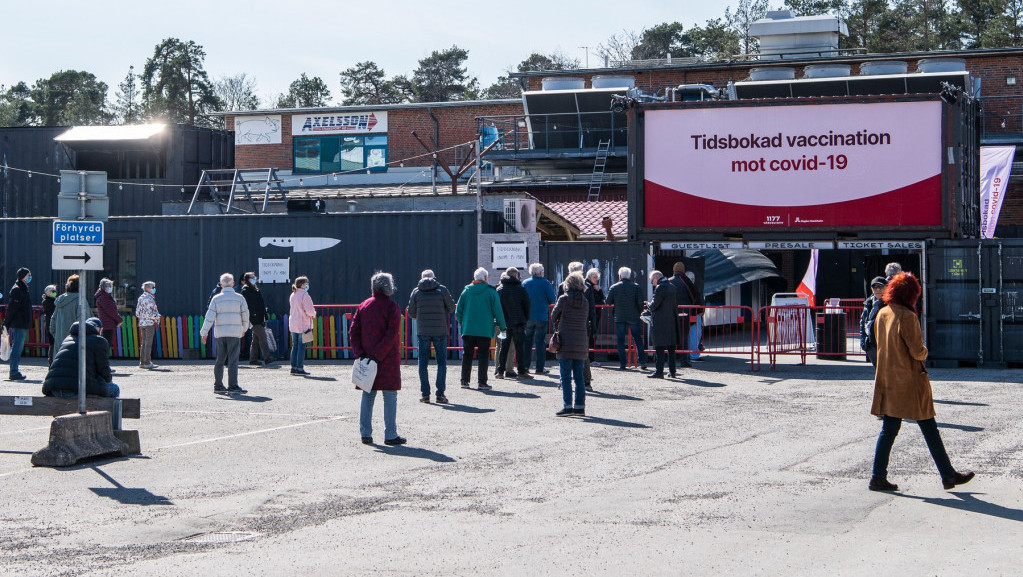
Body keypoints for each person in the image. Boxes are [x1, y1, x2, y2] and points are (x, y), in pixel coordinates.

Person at [868, 272, 975, 492]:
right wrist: (925, 350)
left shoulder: (883, 313)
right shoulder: (907, 316)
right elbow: (917, 352)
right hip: (909, 380)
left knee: (889, 429)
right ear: (912, 294)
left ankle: (878, 476)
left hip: (888, 379)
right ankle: (948, 475)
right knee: (929, 427)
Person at [351, 272, 406, 446]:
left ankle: (365, 433)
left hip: (366, 357)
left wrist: (361, 353)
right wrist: (378, 356)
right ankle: (390, 434)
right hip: (387, 359)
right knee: (390, 396)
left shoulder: (364, 305)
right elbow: (391, 335)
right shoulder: (392, 307)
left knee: (368, 395)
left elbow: (353, 331)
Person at [407, 269, 455, 404]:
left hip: (423, 331)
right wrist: (442, 311)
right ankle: (440, 395)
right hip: (440, 330)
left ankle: (425, 395)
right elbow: (452, 308)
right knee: (441, 363)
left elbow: (411, 312)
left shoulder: (416, 292)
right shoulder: (442, 290)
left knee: (422, 363)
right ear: (434, 278)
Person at [455, 267, 506, 391]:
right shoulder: (491, 292)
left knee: (467, 354)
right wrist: (503, 326)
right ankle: (482, 382)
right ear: (485, 278)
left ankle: (464, 381)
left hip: (468, 329)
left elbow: (458, 311)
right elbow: (498, 311)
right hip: (484, 329)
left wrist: (462, 321)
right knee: (483, 355)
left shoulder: (466, 291)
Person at [42, 317, 119, 398]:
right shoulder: (99, 340)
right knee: (114, 389)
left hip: (53, 388)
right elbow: (104, 371)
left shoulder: (68, 339)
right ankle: (107, 410)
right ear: (100, 329)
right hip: (76, 389)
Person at [199, 273, 250, 395]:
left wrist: (204, 333)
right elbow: (245, 315)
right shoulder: (240, 298)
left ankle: (218, 385)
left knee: (220, 360)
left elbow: (209, 317)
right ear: (233, 284)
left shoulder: (216, 299)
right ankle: (233, 386)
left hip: (220, 334)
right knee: (233, 360)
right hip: (234, 333)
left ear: (221, 285)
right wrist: (244, 329)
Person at [550, 272, 591, 416]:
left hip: (565, 340)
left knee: (565, 376)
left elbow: (553, 315)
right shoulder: (585, 301)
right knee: (579, 376)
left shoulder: (563, 299)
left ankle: (567, 406)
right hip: (580, 340)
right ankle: (580, 407)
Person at [605, 267, 647, 370]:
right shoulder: (636, 287)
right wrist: (638, 312)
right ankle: (642, 362)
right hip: (634, 316)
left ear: (619, 276)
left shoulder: (614, 287)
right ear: (629, 276)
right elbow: (640, 303)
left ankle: (623, 364)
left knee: (620, 340)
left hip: (619, 316)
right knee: (638, 339)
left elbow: (608, 302)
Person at [496, 267, 530, 379]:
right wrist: (525, 319)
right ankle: (521, 371)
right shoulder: (520, 288)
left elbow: (497, 307)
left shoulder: (500, 289)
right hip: (518, 322)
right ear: (516, 275)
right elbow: (527, 305)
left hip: (504, 324)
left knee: (503, 347)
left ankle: (500, 371)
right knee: (519, 347)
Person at [522, 263, 556, 375]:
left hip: (528, 316)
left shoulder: (525, 283)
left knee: (527, 342)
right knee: (540, 342)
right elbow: (552, 299)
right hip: (541, 316)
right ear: (541, 272)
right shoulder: (545, 283)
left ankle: (525, 367)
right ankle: (539, 368)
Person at [647, 270, 678, 379]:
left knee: (659, 347)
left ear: (656, 278)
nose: (652, 283)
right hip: (671, 320)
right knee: (671, 348)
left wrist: (649, 305)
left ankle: (659, 371)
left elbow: (655, 304)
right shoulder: (672, 287)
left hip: (660, 322)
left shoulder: (660, 288)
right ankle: (672, 371)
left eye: (652, 281)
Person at [4, 267, 34, 380]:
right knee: (17, 347)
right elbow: (12, 308)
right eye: (28, 275)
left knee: (18, 346)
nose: (29, 277)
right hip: (19, 323)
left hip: (21, 322)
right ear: (23, 276)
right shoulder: (18, 289)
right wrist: (6, 323)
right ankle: (13, 371)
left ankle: (14, 370)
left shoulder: (23, 288)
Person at [668, 262, 699, 368]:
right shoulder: (686, 281)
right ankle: (684, 360)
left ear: (674, 270)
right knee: (684, 337)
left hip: (671, 313)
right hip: (685, 313)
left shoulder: (669, 281)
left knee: (671, 337)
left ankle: (670, 360)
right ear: (683, 270)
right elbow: (694, 295)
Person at [240, 272, 274, 366]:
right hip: (253, 319)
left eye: (254, 277)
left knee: (255, 340)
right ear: (247, 280)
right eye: (252, 277)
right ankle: (267, 357)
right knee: (263, 337)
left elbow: (261, 304)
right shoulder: (245, 291)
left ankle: (253, 359)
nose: (254, 278)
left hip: (259, 318)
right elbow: (245, 307)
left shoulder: (255, 290)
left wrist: (265, 315)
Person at [288, 276, 316, 376]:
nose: (307, 285)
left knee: (294, 346)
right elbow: (309, 311)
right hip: (302, 323)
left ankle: (293, 367)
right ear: (302, 285)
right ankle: (300, 367)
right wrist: (314, 314)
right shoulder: (305, 295)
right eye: (306, 283)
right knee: (301, 346)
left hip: (293, 323)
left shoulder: (293, 294)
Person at [50, 275, 81, 361]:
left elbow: (52, 321)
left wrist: (56, 336)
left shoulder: (60, 301)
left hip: (59, 340)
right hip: (74, 342)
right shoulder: (80, 301)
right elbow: (83, 322)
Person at [859, 276, 888, 367]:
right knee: (878, 372)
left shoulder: (890, 303)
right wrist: (863, 342)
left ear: (886, 288)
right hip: (871, 344)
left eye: (881, 286)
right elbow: (863, 322)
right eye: (875, 287)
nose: (878, 289)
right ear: (871, 289)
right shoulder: (868, 303)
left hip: (885, 345)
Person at [136, 281, 161, 369]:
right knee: (148, 343)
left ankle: (142, 362)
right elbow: (149, 313)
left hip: (142, 322)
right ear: (148, 288)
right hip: (149, 323)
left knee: (144, 343)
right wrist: (157, 317)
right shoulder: (149, 298)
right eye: (152, 287)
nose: (154, 289)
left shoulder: (141, 298)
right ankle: (147, 362)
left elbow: (137, 313)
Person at [94, 278, 122, 356]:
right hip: (107, 324)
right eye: (110, 286)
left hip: (107, 323)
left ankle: (104, 363)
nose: (111, 288)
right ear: (105, 287)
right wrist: (119, 320)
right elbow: (111, 311)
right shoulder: (104, 297)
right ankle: (103, 364)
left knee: (106, 344)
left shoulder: (105, 296)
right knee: (106, 345)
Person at [586, 268, 605, 369]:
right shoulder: (589, 287)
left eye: (597, 277)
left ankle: (590, 358)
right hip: (591, 315)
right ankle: (590, 358)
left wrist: (600, 290)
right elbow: (600, 300)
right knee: (591, 336)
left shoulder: (595, 287)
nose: (596, 279)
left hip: (594, 315)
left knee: (592, 336)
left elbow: (602, 299)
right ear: (589, 277)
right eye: (594, 277)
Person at [686, 271, 705, 362]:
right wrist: (701, 311)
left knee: (691, 335)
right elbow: (698, 301)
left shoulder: (684, 287)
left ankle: (691, 354)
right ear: (693, 279)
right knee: (695, 334)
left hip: (688, 314)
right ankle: (693, 355)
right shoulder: (694, 288)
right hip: (695, 314)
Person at [42, 284, 57, 365]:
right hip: (50, 325)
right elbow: (50, 311)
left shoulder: (56, 300)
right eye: (51, 290)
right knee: (52, 343)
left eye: (54, 290)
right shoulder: (46, 302)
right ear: (46, 292)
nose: (53, 291)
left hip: (55, 323)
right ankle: (51, 362)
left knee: (55, 343)